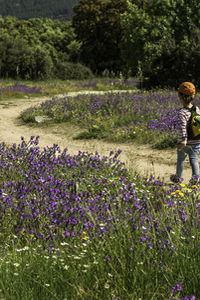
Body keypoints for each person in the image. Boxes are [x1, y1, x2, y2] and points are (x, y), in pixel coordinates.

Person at [170, 81, 200, 184]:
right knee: (194, 160)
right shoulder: (197, 109)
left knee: (181, 160)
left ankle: (178, 177)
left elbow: (183, 127)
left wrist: (183, 140)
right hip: (196, 140)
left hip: (184, 142)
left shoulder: (182, 112)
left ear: (180, 97)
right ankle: (196, 178)